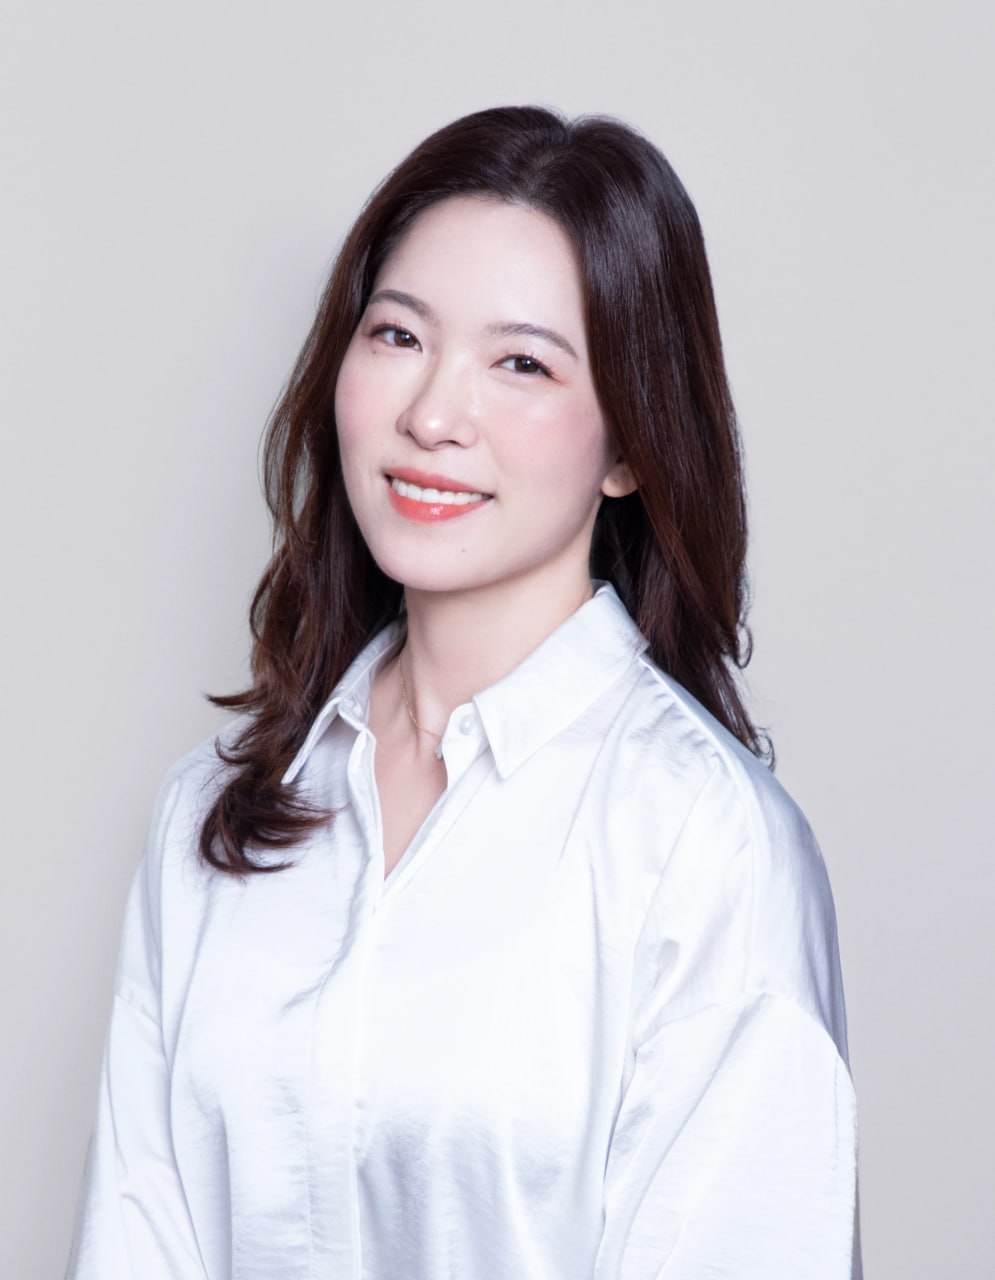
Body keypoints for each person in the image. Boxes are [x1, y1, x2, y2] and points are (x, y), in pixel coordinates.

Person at [67, 105, 860, 1278]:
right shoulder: (211, 816)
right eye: (397, 335)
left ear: (629, 444)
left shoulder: (702, 844)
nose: (431, 416)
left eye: (521, 362)